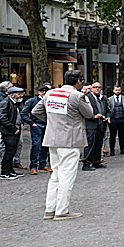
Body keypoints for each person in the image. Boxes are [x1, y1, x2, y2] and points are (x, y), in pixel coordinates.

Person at [31, 70, 95, 220]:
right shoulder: (77, 96)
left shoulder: (50, 93)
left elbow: (36, 111)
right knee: (67, 176)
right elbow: (89, 113)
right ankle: (61, 210)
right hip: (70, 140)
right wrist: (85, 97)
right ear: (78, 81)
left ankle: (50, 209)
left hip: (53, 139)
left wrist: (52, 121)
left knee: (56, 175)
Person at [0, 86, 26, 180]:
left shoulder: (14, 103)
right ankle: (5, 172)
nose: (21, 95)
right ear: (12, 95)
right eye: (19, 94)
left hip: (14, 131)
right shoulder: (5, 103)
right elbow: (2, 117)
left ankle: (10, 171)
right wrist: (13, 128)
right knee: (9, 152)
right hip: (8, 132)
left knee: (12, 151)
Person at [22, 85, 51, 174]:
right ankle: (33, 166)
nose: (44, 93)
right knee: (36, 146)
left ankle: (42, 164)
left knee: (45, 146)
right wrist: (32, 123)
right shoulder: (32, 101)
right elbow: (24, 113)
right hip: (36, 125)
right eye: (42, 91)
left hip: (47, 125)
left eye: (46, 91)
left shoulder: (50, 100)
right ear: (38, 92)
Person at [82, 82, 109, 171]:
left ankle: (96, 162)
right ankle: (86, 163)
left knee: (98, 144)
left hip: (101, 124)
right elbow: (84, 111)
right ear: (91, 89)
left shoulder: (103, 98)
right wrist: (93, 116)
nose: (97, 88)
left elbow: (107, 109)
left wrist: (108, 116)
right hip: (91, 124)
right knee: (90, 144)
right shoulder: (87, 98)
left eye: (99, 87)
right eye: (95, 87)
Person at [106, 85, 124, 156]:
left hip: (122, 119)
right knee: (112, 135)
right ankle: (112, 150)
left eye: (119, 90)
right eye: (116, 90)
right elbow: (107, 109)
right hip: (113, 119)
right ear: (113, 91)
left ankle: (122, 149)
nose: (118, 91)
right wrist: (108, 117)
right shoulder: (110, 99)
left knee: (122, 135)